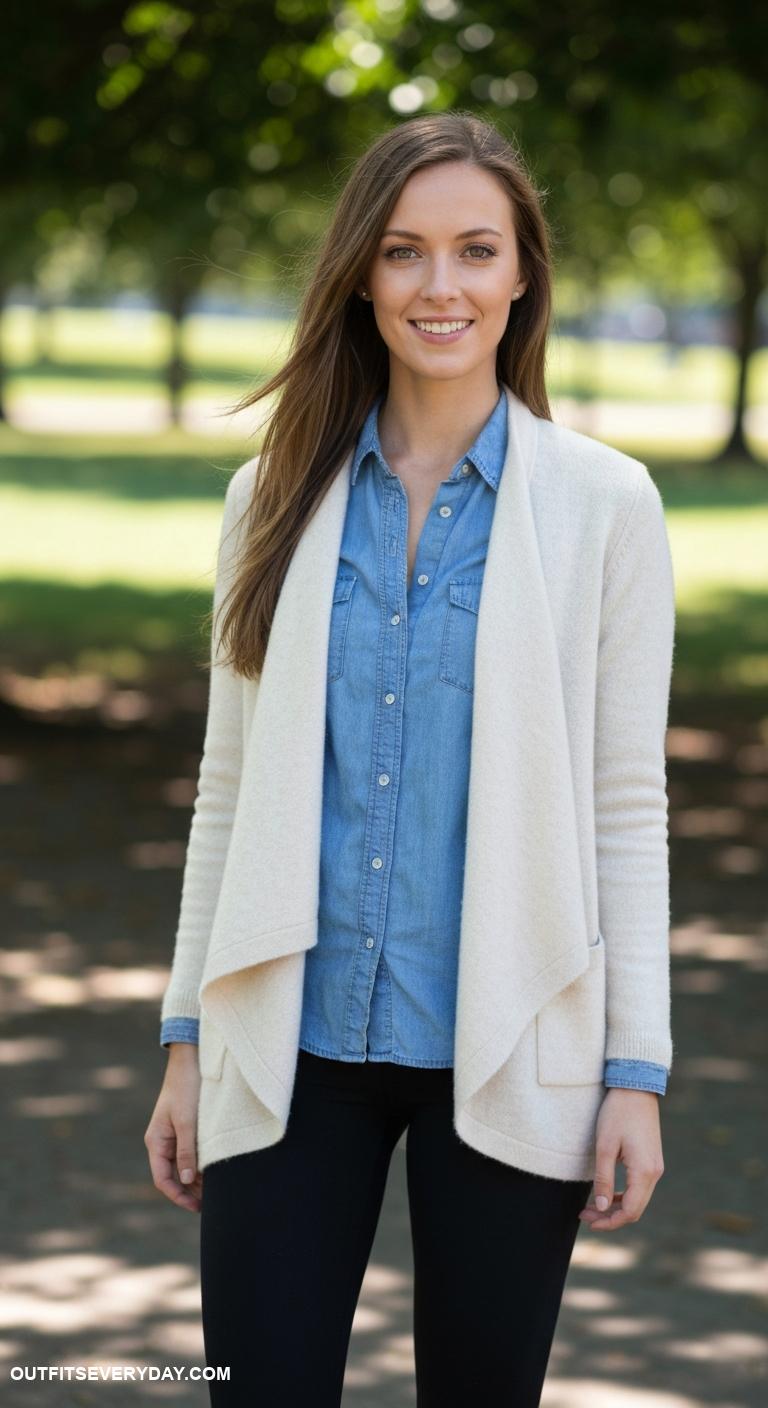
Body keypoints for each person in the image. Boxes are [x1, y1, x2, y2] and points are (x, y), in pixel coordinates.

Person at [144, 111, 675, 1407]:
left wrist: (636, 1076)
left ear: (522, 275)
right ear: (361, 276)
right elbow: (227, 782)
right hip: (288, 1039)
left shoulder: (605, 505)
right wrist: (184, 1040)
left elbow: (625, 807)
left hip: (513, 1040)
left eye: (475, 251)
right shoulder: (270, 493)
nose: (440, 286)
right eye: (403, 252)